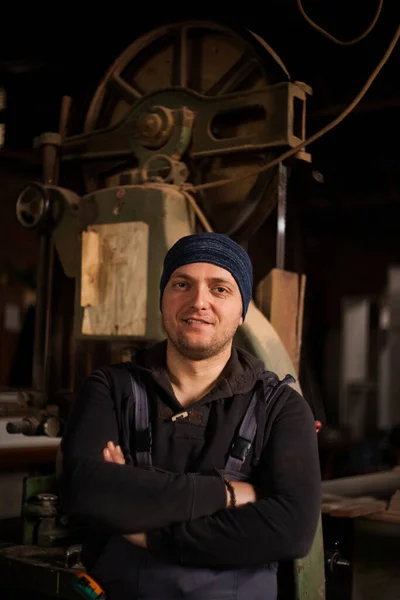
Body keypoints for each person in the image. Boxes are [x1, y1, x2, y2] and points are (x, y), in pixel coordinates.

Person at [59, 232, 321, 600]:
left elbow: (291, 529)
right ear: (163, 299)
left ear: (242, 310)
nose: (199, 301)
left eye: (220, 289)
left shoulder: (281, 408)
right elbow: (84, 491)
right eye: (182, 284)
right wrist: (229, 494)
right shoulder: (110, 389)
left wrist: (144, 526)